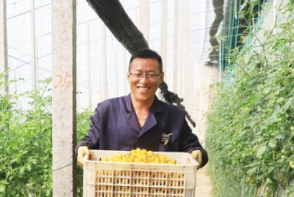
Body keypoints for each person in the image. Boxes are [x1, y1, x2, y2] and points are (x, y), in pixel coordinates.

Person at [76, 48, 208, 168]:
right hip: (113, 189)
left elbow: (191, 146)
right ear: (129, 76)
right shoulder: (107, 110)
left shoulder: (174, 116)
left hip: (160, 190)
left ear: (161, 78)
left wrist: (197, 153)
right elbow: (89, 142)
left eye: (151, 74)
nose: (144, 81)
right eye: (138, 74)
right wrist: (82, 148)